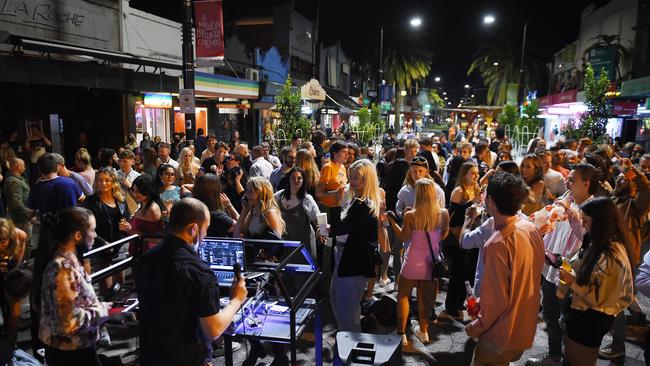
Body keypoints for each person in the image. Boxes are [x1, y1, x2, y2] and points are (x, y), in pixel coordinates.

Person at [136, 198, 248, 366]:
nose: (205, 236)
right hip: (186, 357)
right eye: (205, 229)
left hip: (151, 355)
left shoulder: (145, 260)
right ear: (193, 229)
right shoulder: (199, 270)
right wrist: (236, 300)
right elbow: (214, 330)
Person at [465, 172, 544, 365]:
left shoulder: (497, 243)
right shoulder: (530, 228)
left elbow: (496, 300)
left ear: (490, 201)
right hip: (524, 328)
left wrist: (477, 326)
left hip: (500, 334)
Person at [526, 163, 599, 366]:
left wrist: (572, 214)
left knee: (566, 319)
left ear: (586, 184)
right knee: (550, 314)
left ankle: (570, 358)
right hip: (550, 267)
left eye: (572, 180)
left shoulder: (593, 211)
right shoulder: (566, 199)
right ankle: (554, 354)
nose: (567, 181)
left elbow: (585, 240)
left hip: (570, 276)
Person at [557, 197, 634, 366]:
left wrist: (572, 282)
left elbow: (601, 297)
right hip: (584, 314)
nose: (583, 225)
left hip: (591, 318)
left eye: (586, 221)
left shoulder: (613, 255)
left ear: (600, 221)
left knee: (578, 360)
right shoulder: (600, 242)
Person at [34, 208, 110, 366]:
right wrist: (104, 310)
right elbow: (70, 322)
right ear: (77, 235)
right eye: (93, 230)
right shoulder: (63, 268)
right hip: (71, 353)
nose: (96, 236)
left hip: (74, 348)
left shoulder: (68, 261)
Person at [387, 178, 449, 346]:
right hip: (430, 261)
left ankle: (402, 334)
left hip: (412, 260)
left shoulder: (411, 215)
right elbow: (444, 235)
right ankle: (424, 331)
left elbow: (403, 236)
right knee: (424, 297)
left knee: (403, 295)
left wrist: (392, 221)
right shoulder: (443, 213)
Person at [329, 159, 380, 332]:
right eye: (351, 177)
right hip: (346, 256)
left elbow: (340, 228)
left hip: (353, 260)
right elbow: (341, 229)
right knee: (340, 302)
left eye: (356, 178)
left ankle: (348, 349)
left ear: (367, 180)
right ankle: (348, 345)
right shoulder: (357, 200)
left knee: (346, 309)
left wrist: (336, 204)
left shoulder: (363, 204)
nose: (352, 181)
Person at [82, 168, 130, 295]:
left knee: (120, 285)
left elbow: (127, 220)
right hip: (100, 247)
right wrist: (103, 243)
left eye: (107, 180)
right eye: (100, 180)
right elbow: (86, 227)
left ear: (113, 182)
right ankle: (108, 313)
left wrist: (126, 227)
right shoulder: (90, 201)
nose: (104, 184)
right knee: (106, 289)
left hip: (119, 246)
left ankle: (118, 313)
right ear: (96, 182)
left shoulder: (120, 199)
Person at [444, 162, 481, 320]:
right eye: (472, 173)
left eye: (477, 173)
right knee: (458, 272)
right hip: (456, 236)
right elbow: (454, 216)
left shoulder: (476, 189)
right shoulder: (458, 191)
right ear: (464, 174)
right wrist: (472, 203)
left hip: (470, 235)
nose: (475, 176)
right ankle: (451, 305)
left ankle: (460, 302)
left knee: (467, 272)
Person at [274, 167, 321, 259]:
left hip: (303, 246)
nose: (296, 180)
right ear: (288, 179)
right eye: (293, 178)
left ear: (303, 180)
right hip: (285, 245)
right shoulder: (279, 196)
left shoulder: (307, 199)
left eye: (299, 178)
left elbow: (317, 220)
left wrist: (320, 229)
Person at [119, 175, 164, 252]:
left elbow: (157, 239)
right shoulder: (143, 204)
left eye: (139, 192)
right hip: (137, 251)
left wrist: (131, 231)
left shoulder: (152, 209)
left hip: (147, 254)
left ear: (148, 191)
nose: (135, 194)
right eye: (133, 190)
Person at [236, 177, 285, 241]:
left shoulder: (269, 212)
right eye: (247, 190)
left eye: (251, 191)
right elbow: (239, 233)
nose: (246, 194)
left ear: (261, 193)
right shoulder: (253, 212)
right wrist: (244, 211)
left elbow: (276, 242)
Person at [4, 158, 35, 255]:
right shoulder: (14, 181)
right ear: (18, 167)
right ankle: (20, 265)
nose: (25, 168)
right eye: (24, 166)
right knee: (22, 244)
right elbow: (16, 202)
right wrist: (27, 213)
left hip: (22, 217)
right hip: (20, 218)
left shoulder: (17, 179)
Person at [117, 149, 141, 214]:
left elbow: (142, 197)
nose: (121, 163)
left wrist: (130, 186)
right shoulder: (114, 175)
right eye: (120, 161)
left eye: (125, 161)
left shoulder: (138, 177)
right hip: (118, 209)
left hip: (134, 210)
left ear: (132, 162)